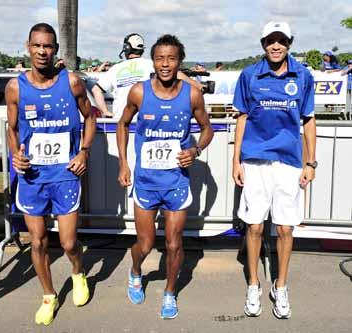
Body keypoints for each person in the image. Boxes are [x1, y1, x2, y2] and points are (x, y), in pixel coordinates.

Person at [5, 23, 96, 326]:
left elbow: (90, 116)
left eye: (48, 46)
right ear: (28, 47)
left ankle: (77, 272)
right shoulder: (16, 87)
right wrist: (16, 152)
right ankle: (48, 294)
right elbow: (13, 128)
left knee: (69, 243)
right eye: (37, 46)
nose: (43, 51)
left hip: (65, 174)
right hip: (32, 177)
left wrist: (84, 151)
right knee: (38, 241)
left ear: (55, 49)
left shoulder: (71, 82)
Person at [117, 34, 213, 319]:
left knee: (174, 243)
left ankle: (170, 293)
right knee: (145, 244)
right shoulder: (139, 92)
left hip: (176, 182)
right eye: (160, 58)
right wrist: (124, 163)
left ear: (179, 61)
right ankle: (135, 271)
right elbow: (122, 124)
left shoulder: (192, 93)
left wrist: (195, 150)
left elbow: (207, 129)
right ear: (153, 61)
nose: (166, 64)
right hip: (146, 182)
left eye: (171, 58)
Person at [232, 21, 316, 319]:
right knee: (254, 226)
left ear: (290, 43)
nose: (276, 45)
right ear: (263, 43)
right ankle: (254, 283)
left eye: (281, 40)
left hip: (290, 163)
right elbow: (242, 118)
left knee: (284, 228)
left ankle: (280, 286)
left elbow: (308, 120)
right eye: (270, 40)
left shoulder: (303, 75)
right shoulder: (249, 75)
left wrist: (310, 162)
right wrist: (236, 160)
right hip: (254, 161)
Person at [92, 33, 155, 119]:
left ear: (126, 48)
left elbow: (96, 90)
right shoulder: (151, 64)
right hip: (146, 120)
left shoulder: (116, 68)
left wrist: (106, 112)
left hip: (120, 120)